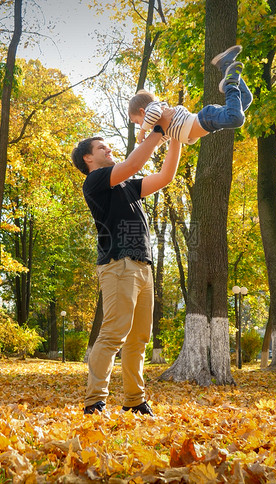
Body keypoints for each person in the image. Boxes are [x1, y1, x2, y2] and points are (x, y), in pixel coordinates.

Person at [71, 108, 180, 416]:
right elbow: (133, 163)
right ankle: (95, 400)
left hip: (142, 267)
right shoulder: (95, 182)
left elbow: (166, 176)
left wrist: (175, 137)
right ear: (88, 159)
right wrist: (158, 130)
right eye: (101, 147)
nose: (108, 149)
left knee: (138, 339)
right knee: (114, 333)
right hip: (118, 265)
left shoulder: (125, 186)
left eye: (108, 145)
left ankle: (134, 400)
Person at [129, 45, 251, 146]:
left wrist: (142, 131)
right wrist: (146, 145)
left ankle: (230, 82)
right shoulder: (163, 123)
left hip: (206, 118)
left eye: (137, 122)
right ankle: (226, 64)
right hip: (209, 121)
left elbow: (153, 114)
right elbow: (158, 140)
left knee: (236, 118)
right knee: (245, 99)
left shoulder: (154, 108)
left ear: (142, 111)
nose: (140, 125)